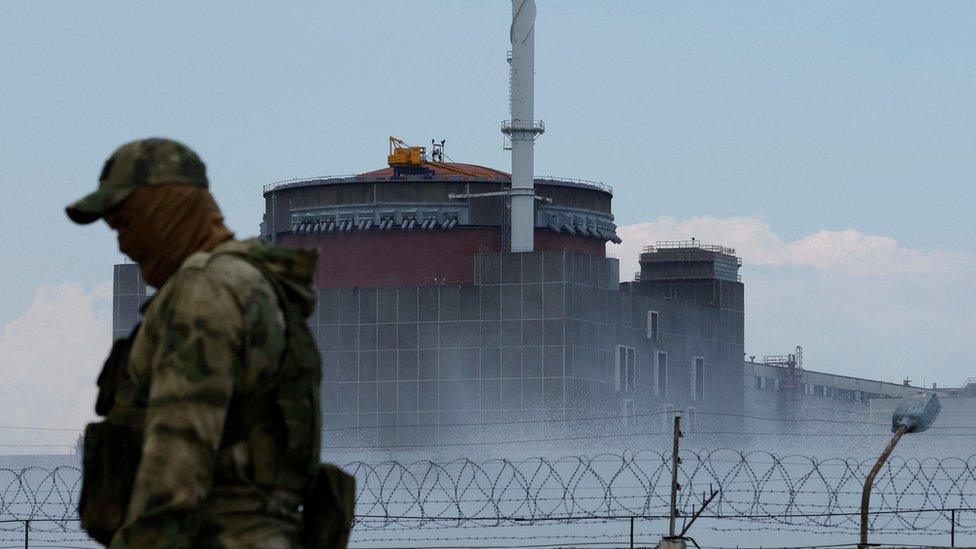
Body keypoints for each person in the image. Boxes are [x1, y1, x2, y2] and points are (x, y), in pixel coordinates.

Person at [66, 138, 351, 548]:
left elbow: (174, 473)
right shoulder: (251, 285)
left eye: (126, 224)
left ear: (167, 208)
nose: (123, 244)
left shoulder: (204, 291)